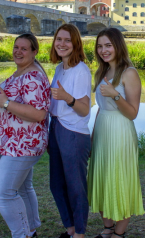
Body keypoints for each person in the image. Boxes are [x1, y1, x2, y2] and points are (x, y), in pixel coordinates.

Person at [0, 33, 51, 238]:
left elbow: (39, 114)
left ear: (34, 52)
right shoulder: (21, 72)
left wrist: (5, 103)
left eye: (24, 48)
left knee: (5, 192)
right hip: (12, 143)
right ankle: (30, 230)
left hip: (22, 144)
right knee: (23, 188)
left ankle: (22, 234)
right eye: (16, 47)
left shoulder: (33, 76)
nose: (18, 51)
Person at [88, 28, 145, 238]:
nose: (103, 50)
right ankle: (107, 229)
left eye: (108, 45)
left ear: (118, 45)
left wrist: (115, 95)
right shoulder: (101, 72)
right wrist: (93, 138)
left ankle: (119, 234)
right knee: (101, 179)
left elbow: (133, 113)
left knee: (119, 180)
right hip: (102, 131)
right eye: (100, 46)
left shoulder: (129, 73)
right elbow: (100, 109)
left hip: (120, 133)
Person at [48, 24, 92, 238]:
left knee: (76, 187)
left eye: (67, 40)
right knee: (56, 184)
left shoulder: (81, 70)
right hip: (56, 127)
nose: (62, 44)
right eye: (59, 39)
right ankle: (71, 229)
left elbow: (84, 110)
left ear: (75, 44)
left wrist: (67, 98)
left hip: (73, 133)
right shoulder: (59, 69)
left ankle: (80, 233)